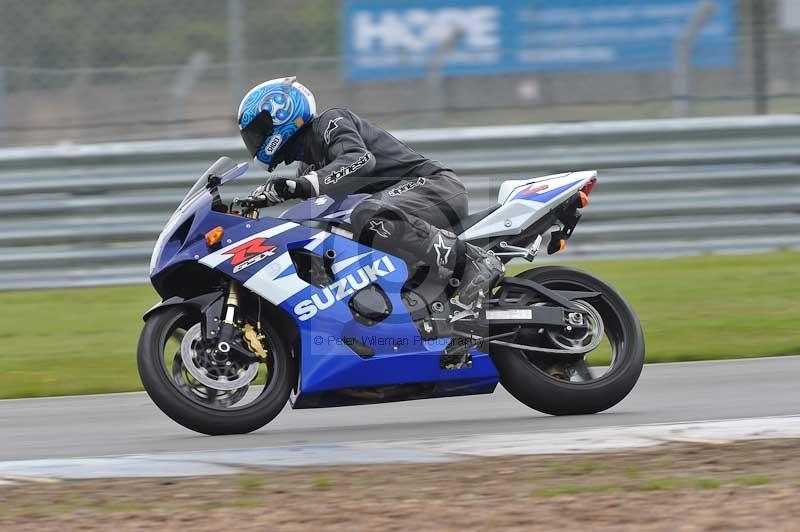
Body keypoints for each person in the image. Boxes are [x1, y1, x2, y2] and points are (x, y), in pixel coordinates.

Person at [238, 77, 503, 309]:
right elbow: (313, 213)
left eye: (258, 132)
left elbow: (359, 160)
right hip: (402, 211)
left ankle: (475, 261)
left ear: (281, 114)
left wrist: (299, 187)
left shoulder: (331, 122)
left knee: (368, 212)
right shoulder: (309, 166)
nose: (256, 141)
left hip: (435, 187)